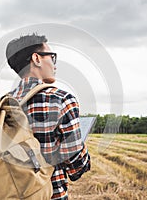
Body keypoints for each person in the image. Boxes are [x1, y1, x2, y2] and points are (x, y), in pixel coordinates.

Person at [6, 33, 91, 200]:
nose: (54, 64)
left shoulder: (3, 103)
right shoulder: (61, 100)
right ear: (36, 59)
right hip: (50, 195)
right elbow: (77, 168)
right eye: (52, 57)